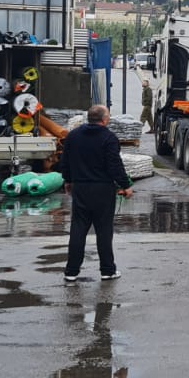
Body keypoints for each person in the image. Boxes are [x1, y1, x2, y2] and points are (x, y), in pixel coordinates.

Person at [58, 105, 134, 283]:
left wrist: (68, 181)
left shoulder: (73, 136)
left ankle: (71, 271)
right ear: (105, 119)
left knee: (78, 229)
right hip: (103, 189)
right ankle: (107, 270)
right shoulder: (109, 138)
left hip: (81, 188)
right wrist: (126, 185)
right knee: (104, 230)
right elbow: (114, 166)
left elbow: (65, 161)